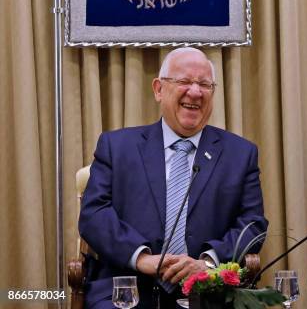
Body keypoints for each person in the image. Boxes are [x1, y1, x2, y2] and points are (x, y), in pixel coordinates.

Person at [79, 47, 268, 308]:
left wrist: (208, 263)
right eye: (184, 81)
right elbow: (93, 214)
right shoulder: (117, 146)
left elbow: (253, 224)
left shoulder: (240, 154)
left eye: (205, 84)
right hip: (128, 286)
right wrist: (141, 257)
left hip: (207, 291)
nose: (195, 92)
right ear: (158, 89)